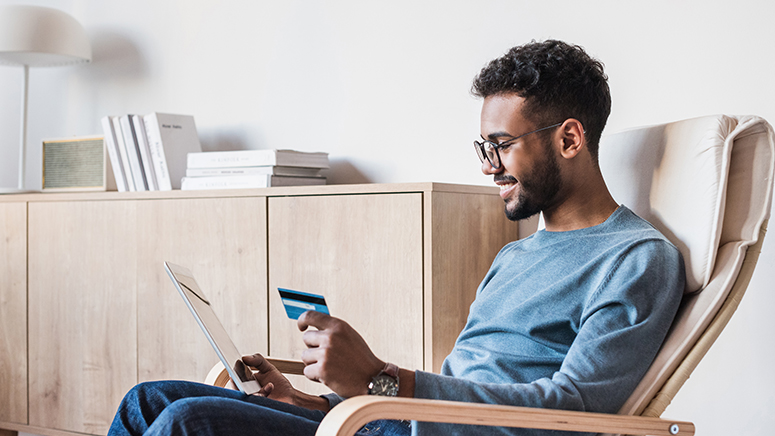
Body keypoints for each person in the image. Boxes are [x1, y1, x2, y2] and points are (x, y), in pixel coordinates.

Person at [108, 39, 685, 436]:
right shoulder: (516, 255)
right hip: (398, 421)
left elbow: (575, 409)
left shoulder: (635, 259)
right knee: (148, 399)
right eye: (483, 148)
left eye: (502, 145)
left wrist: (381, 378)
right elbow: (457, 386)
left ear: (569, 139)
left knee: (190, 424)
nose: (489, 168)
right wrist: (315, 401)